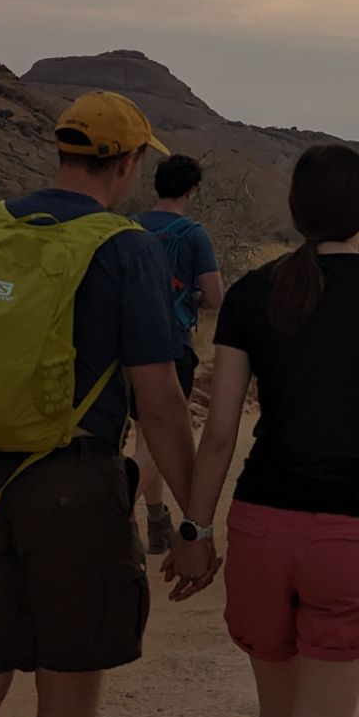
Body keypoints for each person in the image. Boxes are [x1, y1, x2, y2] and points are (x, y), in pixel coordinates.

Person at [0, 91, 217, 717]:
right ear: (128, 162)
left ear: (64, 149)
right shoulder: (126, 249)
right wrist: (195, 526)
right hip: (74, 485)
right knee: (68, 696)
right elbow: (159, 403)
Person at [184, 144, 359, 717]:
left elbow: (218, 433)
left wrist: (195, 529)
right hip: (352, 531)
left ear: (297, 209)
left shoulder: (251, 294)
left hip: (262, 524)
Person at [133, 153, 225, 555]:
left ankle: (156, 522)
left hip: (124, 345)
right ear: (191, 190)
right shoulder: (192, 234)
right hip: (172, 344)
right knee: (158, 440)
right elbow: (216, 297)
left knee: (142, 434)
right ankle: (119, 512)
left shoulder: (128, 227)